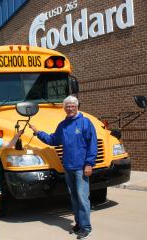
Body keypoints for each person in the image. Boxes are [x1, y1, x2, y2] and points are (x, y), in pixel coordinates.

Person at [29, 95, 97, 240]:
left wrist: (89, 164)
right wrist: (38, 132)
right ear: (64, 108)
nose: (70, 108)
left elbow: (92, 144)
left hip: (81, 167)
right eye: (67, 106)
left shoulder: (86, 123)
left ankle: (86, 227)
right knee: (74, 197)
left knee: (82, 197)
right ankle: (79, 224)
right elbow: (53, 140)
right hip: (68, 167)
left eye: (73, 105)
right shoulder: (63, 125)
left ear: (77, 106)